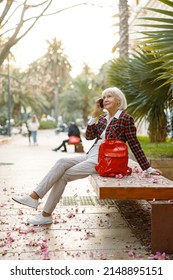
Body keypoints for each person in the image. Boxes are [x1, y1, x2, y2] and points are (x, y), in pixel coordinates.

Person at [12, 87, 162, 225]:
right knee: (61, 162)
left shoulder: (125, 119)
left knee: (64, 175)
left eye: (110, 96)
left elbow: (134, 144)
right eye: (104, 97)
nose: (106, 99)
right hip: (92, 155)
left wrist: (147, 168)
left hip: (106, 160)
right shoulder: (103, 118)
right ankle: (33, 197)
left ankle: (45, 215)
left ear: (119, 100)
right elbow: (90, 136)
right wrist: (94, 116)